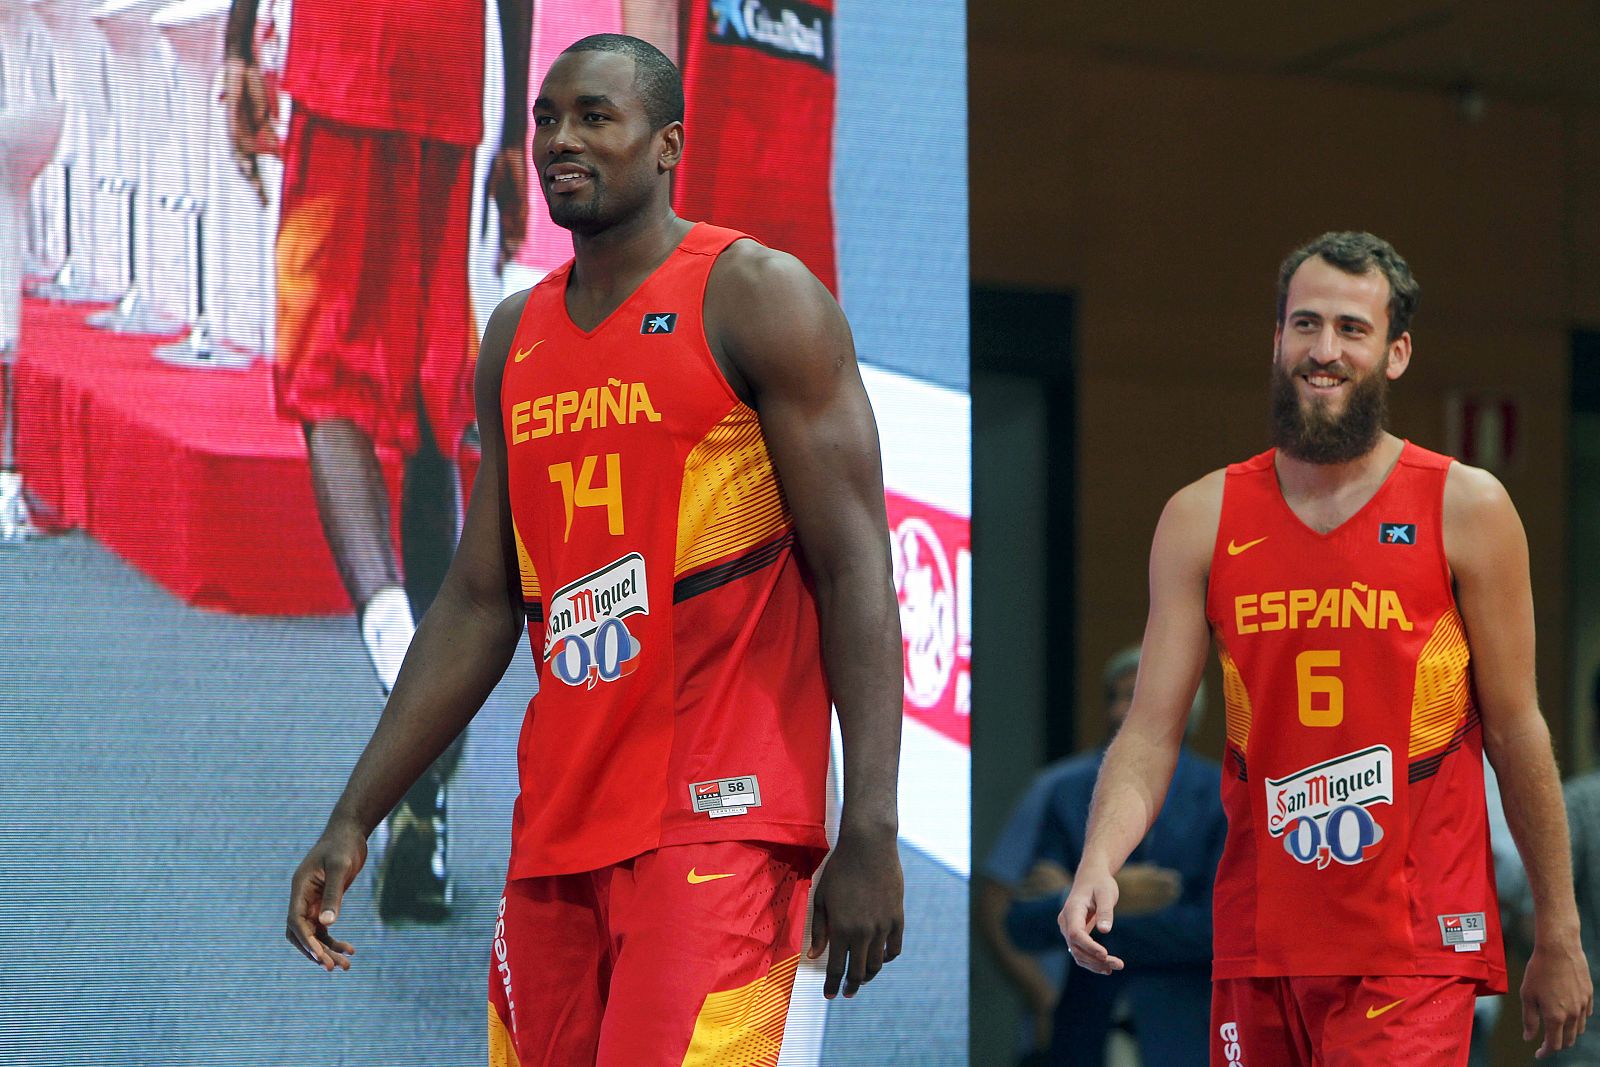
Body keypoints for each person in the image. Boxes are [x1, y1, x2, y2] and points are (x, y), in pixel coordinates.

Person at [282, 33, 905, 1065]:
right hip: (559, 838)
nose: (562, 139)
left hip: (728, 826)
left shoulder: (758, 296)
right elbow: (481, 603)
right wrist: (357, 811)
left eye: (594, 118)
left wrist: (873, 823)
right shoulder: (514, 337)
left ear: (666, 146)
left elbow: (855, 569)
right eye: (546, 119)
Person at [1059, 231, 1593, 1063]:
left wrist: (1558, 927)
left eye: (1352, 328)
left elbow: (1517, 729)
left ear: (1396, 352)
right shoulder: (1202, 517)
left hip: (1412, 946)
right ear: (1277, 339)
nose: (1325, 350)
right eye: (1305, 325)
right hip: (1259, 937)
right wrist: (1100, 858)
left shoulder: (1467, 507)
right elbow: (1153, 730)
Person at [222, 0, 531, 921]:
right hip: (445, 83)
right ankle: (423, 815)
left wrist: (241, 44)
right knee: (428, 404)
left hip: (347, 57)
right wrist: (513, 129)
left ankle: (401, 654)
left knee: (327, 378)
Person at [984, 647, 1221, 1066]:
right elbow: (1020, 922)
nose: (1117, 711)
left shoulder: (1221, 797)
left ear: (1182, 702)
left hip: (1183, 1037)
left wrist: (1091, 908)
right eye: (1113, 697)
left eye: (1133, 696)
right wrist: (1115, 897)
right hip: (1082, 1036)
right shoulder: (1067, 793)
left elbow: (1215, 932)